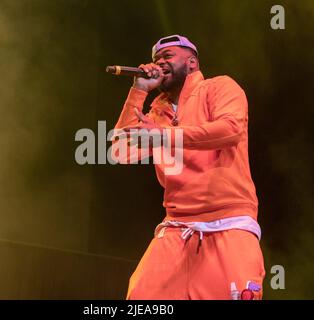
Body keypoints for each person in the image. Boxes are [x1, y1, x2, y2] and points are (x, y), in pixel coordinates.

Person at [112, 35, 265, 300]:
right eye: (156, 59)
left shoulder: (219, 87)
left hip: (228, 222)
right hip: (176, 227)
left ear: (192, 62)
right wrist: (139, 90)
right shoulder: (157, 111)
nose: (159, 62)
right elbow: (119, 151)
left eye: (168, 56)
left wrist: (163, 136)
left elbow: (230, 130)